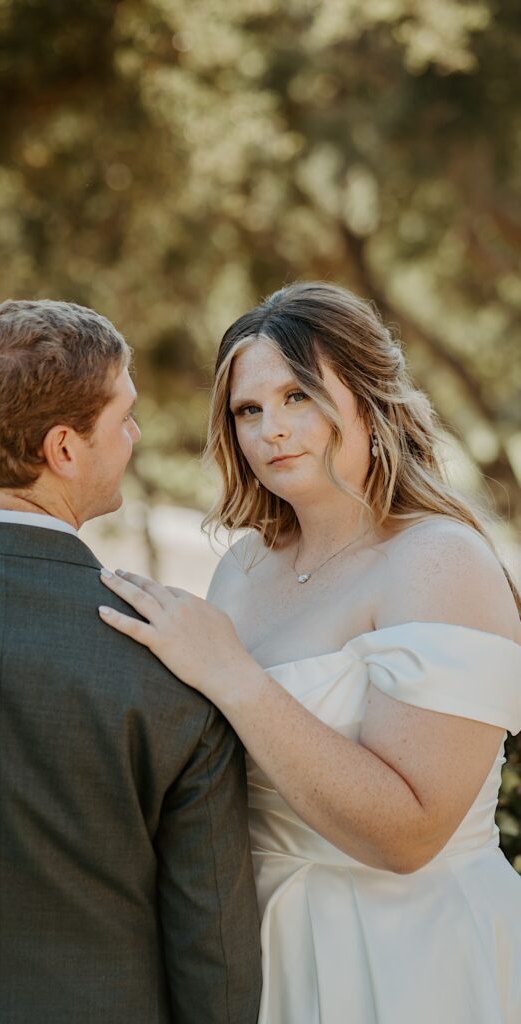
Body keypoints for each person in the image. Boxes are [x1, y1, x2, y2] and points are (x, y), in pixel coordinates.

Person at [99, 281, 521, 1024]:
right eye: (248, 410)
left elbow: (409, 832)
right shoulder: (246, 566)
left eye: (298, 397)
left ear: (369, 395)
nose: (272, 431)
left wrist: (233, 676)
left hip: (404, 958)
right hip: (255, 949)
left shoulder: (439, 562)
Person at [0, 299, 262, 1024]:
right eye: (123, 417)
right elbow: (215, 954)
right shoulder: (175, 657)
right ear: (63, 449)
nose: (134, 436)